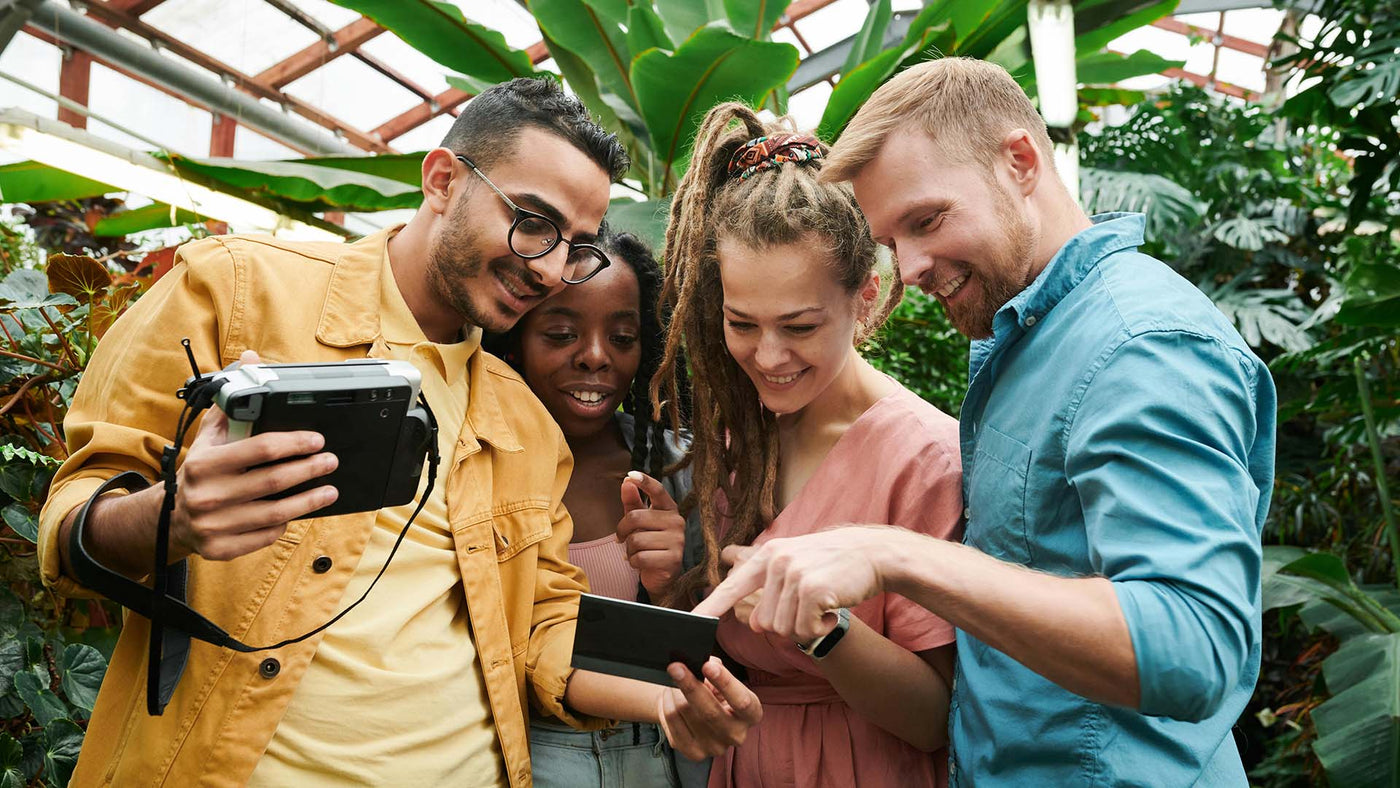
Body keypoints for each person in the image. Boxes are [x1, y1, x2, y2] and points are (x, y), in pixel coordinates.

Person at [36, 77, 759, 788]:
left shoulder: (524, 423)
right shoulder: (235, 291)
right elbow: (70, 528)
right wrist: (174, 518)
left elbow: (539, 630)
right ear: (443, 179)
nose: (549, 269)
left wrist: (667, 705)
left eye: (574, 245)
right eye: (533, 223)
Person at [698, 58, 1276, 786]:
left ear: (1021, 162)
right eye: (891, 240)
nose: (908, 269)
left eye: (927, 220)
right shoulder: (1029, 339)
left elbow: (1197, 649)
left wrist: (894, 553)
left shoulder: (1140, 346)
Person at [652, 102, 964, 788]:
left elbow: (935, 718)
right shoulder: (741, 438)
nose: (767, 357)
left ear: (866, 298)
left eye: (799, 326)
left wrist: (822, 630)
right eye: (742, 323)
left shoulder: (925, 458)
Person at [484, 227, 710, 788]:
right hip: (516, 752)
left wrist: (669, 586)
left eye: (623, 337)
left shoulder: (676, 468)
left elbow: (721, 647)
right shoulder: (474, 465)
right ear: (514, 336)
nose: (594, 357)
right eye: (561, 333)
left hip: (655, 752)